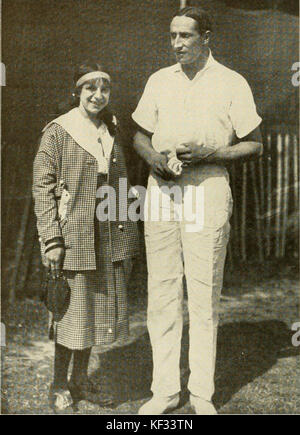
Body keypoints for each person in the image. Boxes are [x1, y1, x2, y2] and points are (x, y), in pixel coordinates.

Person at [132, 6, 263, 415]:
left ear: (206, 37)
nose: (176, 44)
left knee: (204, 295)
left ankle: (202, 395)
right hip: (162, 192)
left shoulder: (231, 82)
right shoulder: (158, 80)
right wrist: (153, 158)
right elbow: (140, 135)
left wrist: (212, 152)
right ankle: (165, 391)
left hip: (208, 189)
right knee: (163, 293)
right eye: (172, 35)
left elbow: (254, 143)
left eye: (185, 36)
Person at [33, 61, 139, 413]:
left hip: (106, 233)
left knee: (93, 311)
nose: (98, 95)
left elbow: (120, 186)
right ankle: (58, 384)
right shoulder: (59, 131)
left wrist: (126, 234)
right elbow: (42, 187)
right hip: (73, 233)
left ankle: (81, 380)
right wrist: (52, 239)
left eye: (104, 88)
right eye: (90, 88)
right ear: (76, 91)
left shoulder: (110, 129)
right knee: (69, 311)